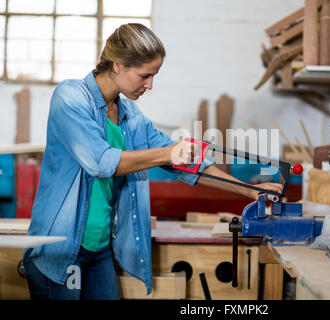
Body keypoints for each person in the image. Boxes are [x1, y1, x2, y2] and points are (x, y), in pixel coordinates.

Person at [23, 23, 282, 300]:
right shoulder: (71, 97)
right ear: (118, 64)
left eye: (154, 76)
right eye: (144, 75)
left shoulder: (131, 117)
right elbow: (100, 161)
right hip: (60, 249)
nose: (150, 85)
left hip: (99, 249)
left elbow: (186, 163)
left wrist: (249, 190)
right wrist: (169, 153)